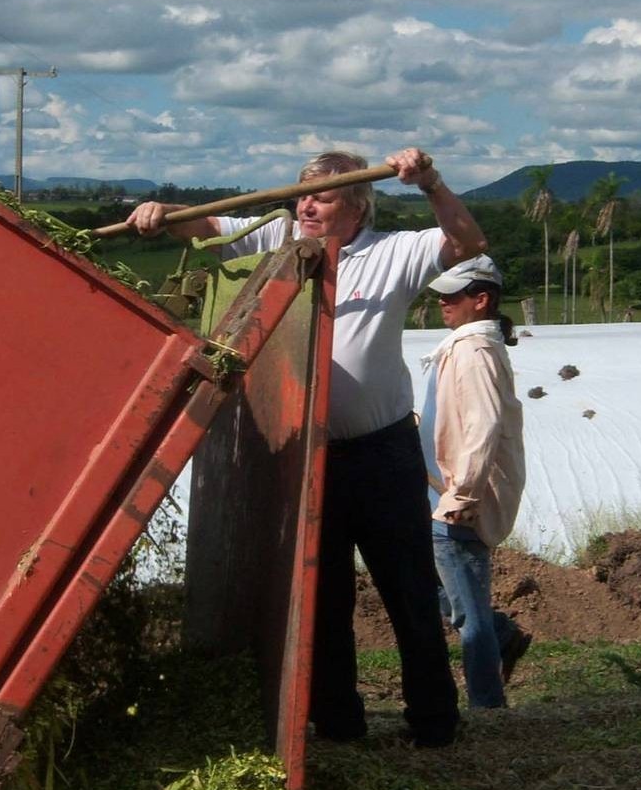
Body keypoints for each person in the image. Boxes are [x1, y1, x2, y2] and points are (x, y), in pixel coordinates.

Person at [125, 148, 487, 747]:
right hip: (309, 455)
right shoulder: (280, 237)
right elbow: (209, 225)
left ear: (358, 206)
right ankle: (338, 722)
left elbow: (468, 243)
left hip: (382, 455)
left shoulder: (393, 251)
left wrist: (432, 184)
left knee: (409, 590)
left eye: (322, 197)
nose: (306, 206)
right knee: (324, 597)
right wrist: (161, 212)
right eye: (303, 195)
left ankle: (433, 721)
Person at [419, 256, 530, 710]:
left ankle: (488, 707)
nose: (443, 302)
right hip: (437, 492)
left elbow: (483, 425)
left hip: (457, 499)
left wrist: (463, 496)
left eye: (453, 295)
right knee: (435, 589)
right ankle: (503, 634)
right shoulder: (461, 346)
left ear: (480, 299)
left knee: (468, 615)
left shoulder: (474, 351)